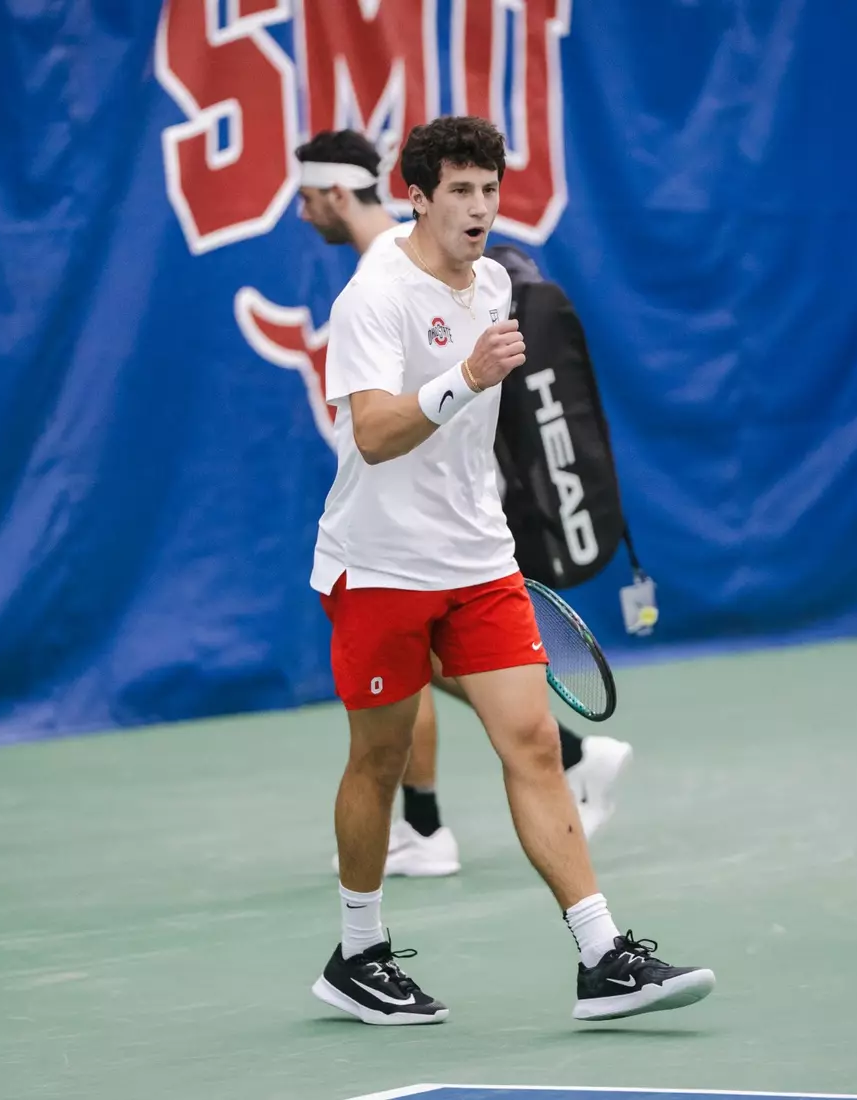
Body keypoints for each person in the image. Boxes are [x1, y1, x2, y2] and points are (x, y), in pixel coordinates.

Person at [306, 115, 714, 1025]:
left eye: (490, 189)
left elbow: (476, 432)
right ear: (416, 194)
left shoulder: (494, 283)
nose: (480, 208)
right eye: (460, 190)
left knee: (531, 743)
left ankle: (603, 955)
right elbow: (373, 434)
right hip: (379, 565)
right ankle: (357, 952)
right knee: (375, 761)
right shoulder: (375, 297)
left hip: (479, 560)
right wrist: (464, 375)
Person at [294, 128, 634, 879]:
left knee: (472, 707)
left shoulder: (410, 275)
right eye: (464, 190)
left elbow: (417, 418)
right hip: (390, 540)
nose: (301, 212)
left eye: (308, 197)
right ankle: (415, 846)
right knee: (408, 696)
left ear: (337, 194)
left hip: (453, 542)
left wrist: (464, 391)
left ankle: (446, 825)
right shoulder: (395, 275)